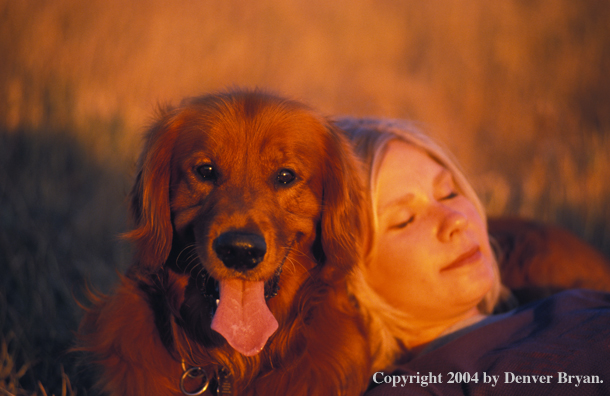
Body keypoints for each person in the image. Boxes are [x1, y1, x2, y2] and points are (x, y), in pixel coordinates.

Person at [337, 118, 610, 395]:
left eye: (449, 193)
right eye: (405, 220)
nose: (455, 219)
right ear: (350, 277)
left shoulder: (574, 300)